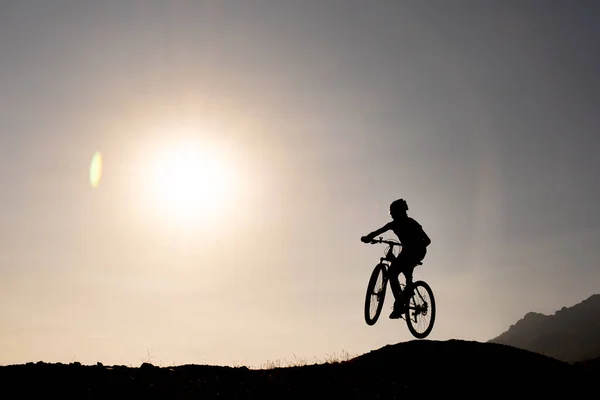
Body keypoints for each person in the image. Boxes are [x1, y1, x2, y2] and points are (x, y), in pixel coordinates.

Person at [361, 198, 431, 319]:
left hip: (417, 251)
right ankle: (404, 297)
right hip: (406, 252)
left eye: (394, 212)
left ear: (401, 212)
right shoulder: (393, 225)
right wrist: (369, 237)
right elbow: (379, 231)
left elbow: (428, 240)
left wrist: (415, 245)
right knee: (396, 271)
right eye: (391, 213)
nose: (392, 215)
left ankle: (400, 304)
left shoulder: (411, 223)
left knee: (394, 272)